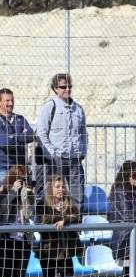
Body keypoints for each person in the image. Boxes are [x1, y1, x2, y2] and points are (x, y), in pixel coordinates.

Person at [36, 174, 83, 277]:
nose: (61, 190)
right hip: (48, 250)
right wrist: (61, 217)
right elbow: (43, 218)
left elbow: (78, 216)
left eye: (62, 186)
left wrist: (66, 220)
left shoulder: (69, 203)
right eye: (57, 187)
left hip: (66, 250)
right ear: (50, 188)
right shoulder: (43, 203)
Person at [35, 73, 87, 206]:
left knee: (77, 197)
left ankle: (76, 225)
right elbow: (41, 133)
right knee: (54, 196)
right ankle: (53, 223)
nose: (67, 89)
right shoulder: (49, 107)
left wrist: (82, 152)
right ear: (55, 89)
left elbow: (83, 133)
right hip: (56, 161)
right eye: (63, 86)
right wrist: (52, 153)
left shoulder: (78, 109)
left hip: (75, 160)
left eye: (69, 86)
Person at [0, 165, 34, 277]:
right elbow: (3, 213)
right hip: (6, 243)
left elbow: (29, 214)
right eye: (20, 179)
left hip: (23, 242)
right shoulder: (3, 193)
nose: (22, 182)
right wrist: (13, 192)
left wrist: (27, 195)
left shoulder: (26, 193)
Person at [0, 88, 35, 182]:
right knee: (5, 195)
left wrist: (13, 136)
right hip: (3, 168)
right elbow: (5, 143)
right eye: (7, 101)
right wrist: (20, 136)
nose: (11, 103)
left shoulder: (20, 119)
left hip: (20, 169)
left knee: (21, 196)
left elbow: (31, 135)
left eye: (12, 100)